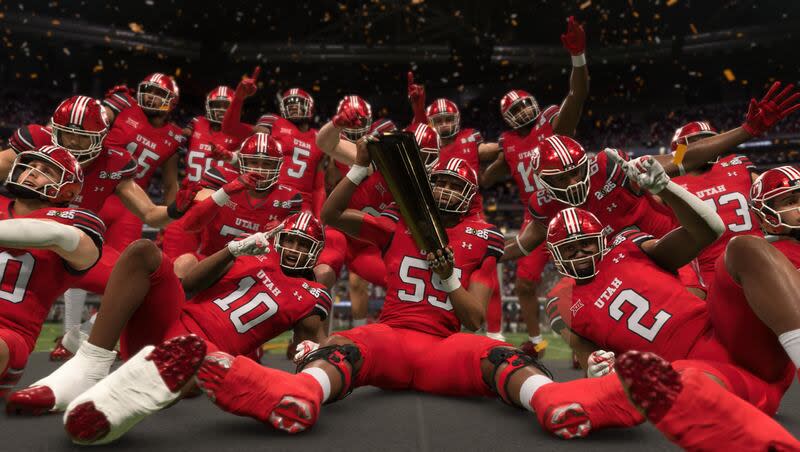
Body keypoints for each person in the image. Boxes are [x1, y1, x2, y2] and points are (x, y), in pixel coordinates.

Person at [184, 145, 559, 436]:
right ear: (427, 188)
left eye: (454, 186)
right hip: (389, 338)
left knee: (504, 357)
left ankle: (551, 402)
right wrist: (360, 168)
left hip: (442, 347)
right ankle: (300, 395)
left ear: (470, 194)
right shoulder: (398, 223)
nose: (445, 191)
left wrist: (448, 278)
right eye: (440, 183)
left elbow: (474, 319)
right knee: (341, 348)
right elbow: (331, 215)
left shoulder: (483, 238)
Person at [531, 161, 800, 440]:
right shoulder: (558, 304)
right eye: (569, 248)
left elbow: (708, 232)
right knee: (671, 387)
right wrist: (594, 368)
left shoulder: (628, 245)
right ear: (554, 254)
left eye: (585, 243)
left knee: (744, 247)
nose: (578, 253)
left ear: (601, 239)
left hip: (727, 335)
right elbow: (586, 355)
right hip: (700, 374)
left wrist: (666, 189)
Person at [8, 213, 332, 442]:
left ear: (315, 254)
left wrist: (309, 353)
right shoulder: (255, 253)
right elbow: (188, 283)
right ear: (280, 238)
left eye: (304, 246)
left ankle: (108, 406)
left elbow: (314, 348)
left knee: (199, 362)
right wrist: (231, 250)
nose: (295, 249)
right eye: (291, 240)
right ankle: (90, 366)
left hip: (204, 353)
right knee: (143, 252)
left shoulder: (313, 294)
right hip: (172, 321)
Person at [0, 146, 104, 396]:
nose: (32, 173)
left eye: (45, 170)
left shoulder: (72, 220)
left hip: (9, 333)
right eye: (31, 167)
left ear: (67, 188)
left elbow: (57, 235)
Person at [171, 132, 303, 278]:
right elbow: (191, 224)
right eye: (254, 162)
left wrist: (283, 233)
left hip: (255, 274)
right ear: (242, 162)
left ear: (277, 166)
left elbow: (291, 253)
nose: (260, 169)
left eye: (267, 163)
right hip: (211, 264)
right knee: (185, 263)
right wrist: (225, 192)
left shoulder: (290, 198)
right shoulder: (220, 177)